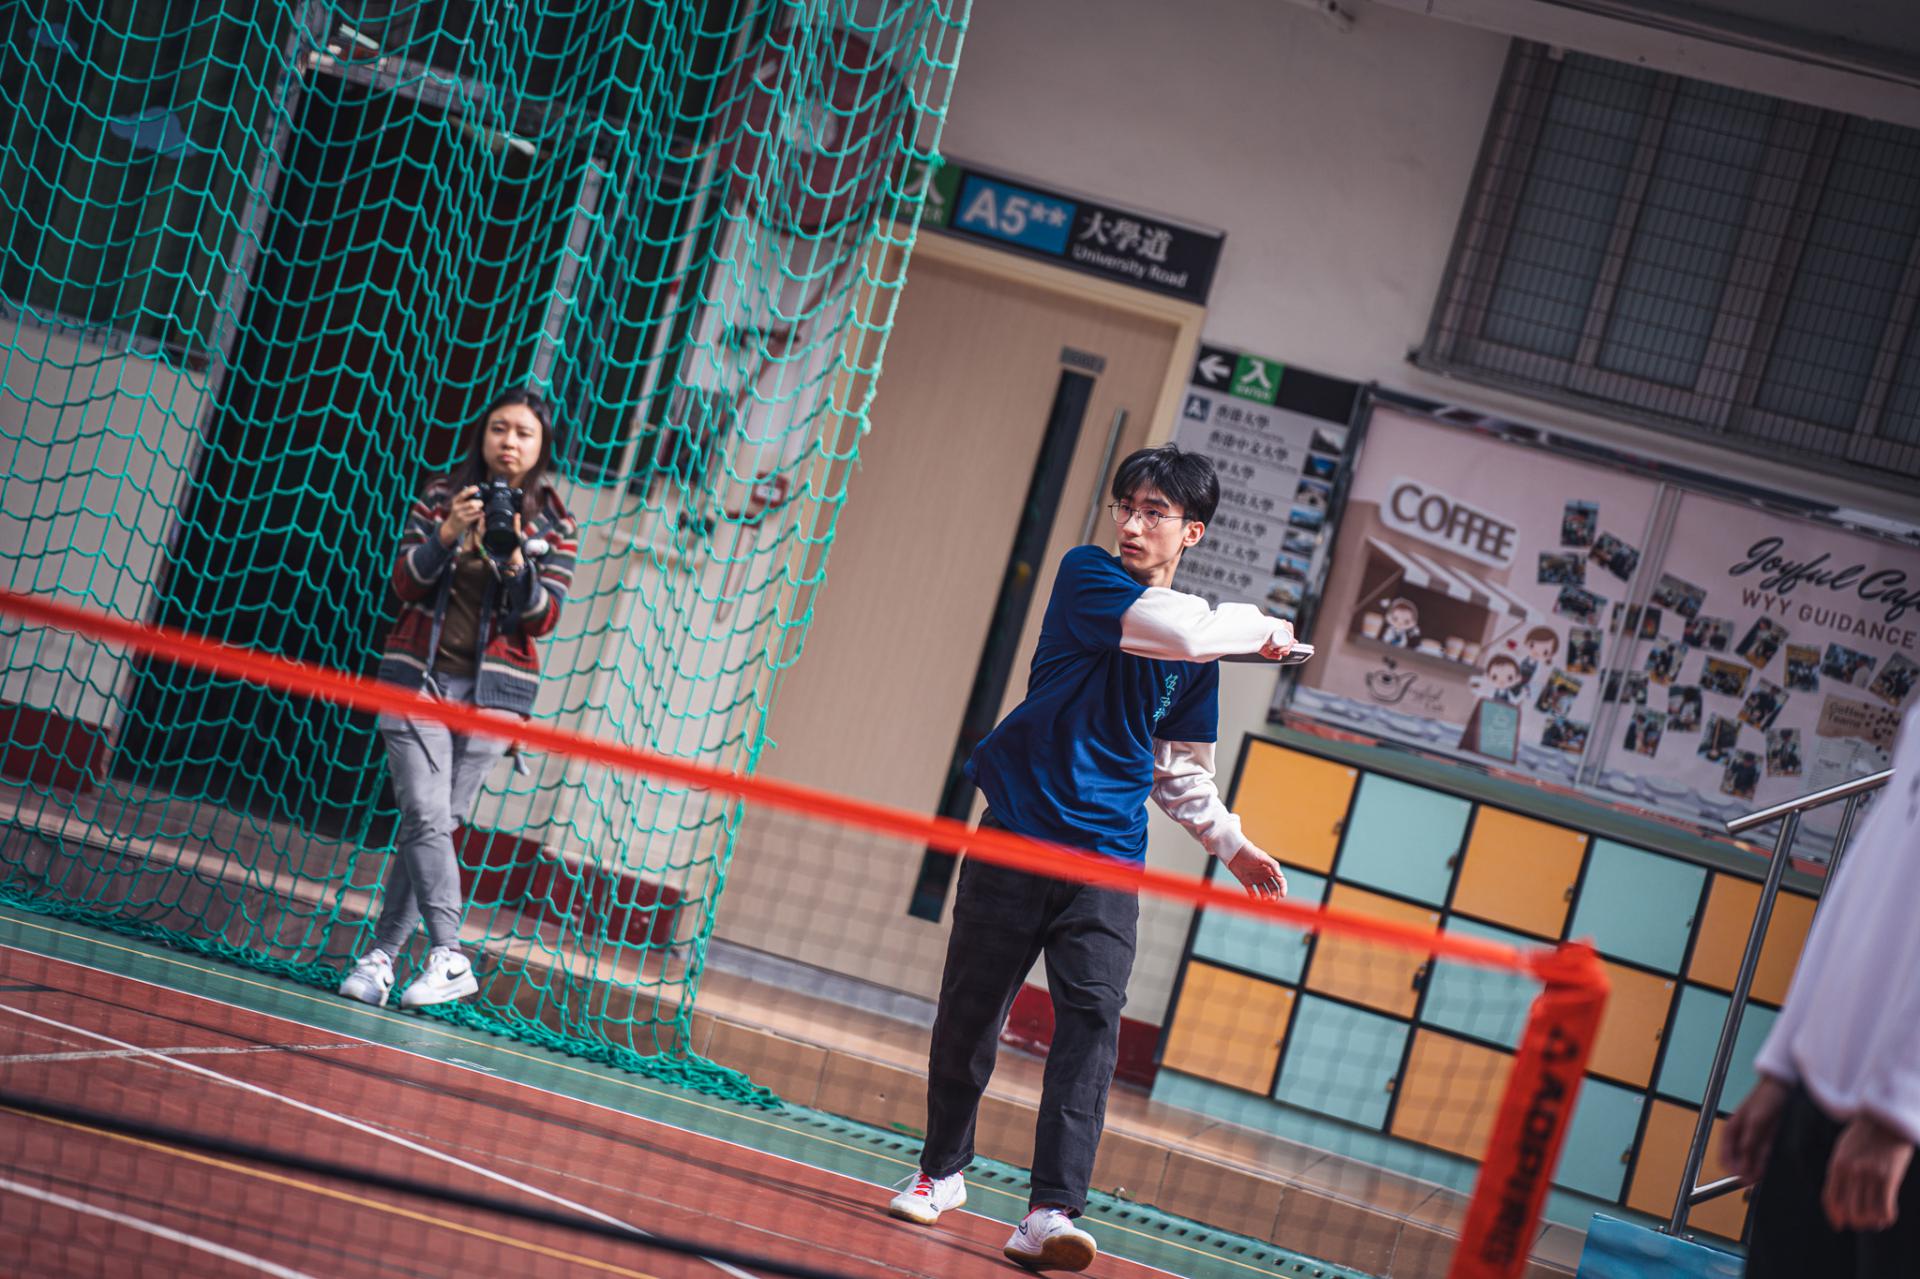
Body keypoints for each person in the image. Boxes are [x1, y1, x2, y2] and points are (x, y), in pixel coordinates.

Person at [885, 446, 1294, 1273]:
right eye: (1128, 506)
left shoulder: (1199, 651)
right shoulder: (1088, 579)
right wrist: (1264, 627)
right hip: (1018, 835)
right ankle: (941, 1170)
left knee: (1091, 1030)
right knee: (970, 1017)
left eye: (1156, 513)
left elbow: (1178, 770)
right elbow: (1179, 626)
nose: (1135, 523)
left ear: (1193, 532)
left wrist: (1232, 842)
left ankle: (1049, 1211)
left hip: (1107, 861)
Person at [338, 389, 577, 1010]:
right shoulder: (441, 497)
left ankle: (382, 958)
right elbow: (403, 583)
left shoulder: (555, 522)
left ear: (542, 446)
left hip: (496, 695)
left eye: (524, 433)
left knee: (436, 825)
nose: (509, 441)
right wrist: (446, 534)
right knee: (423, 811)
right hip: (418, 678)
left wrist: (518, 559)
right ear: (482, 435)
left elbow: (542, 617)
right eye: (499, 428)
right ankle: (449, 954)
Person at [1720, 702, 1920, 1278]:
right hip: (1824, 1087)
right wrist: (1784, 1063)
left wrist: (1897, 1111)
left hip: (1897, 1124)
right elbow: (1866, 875)